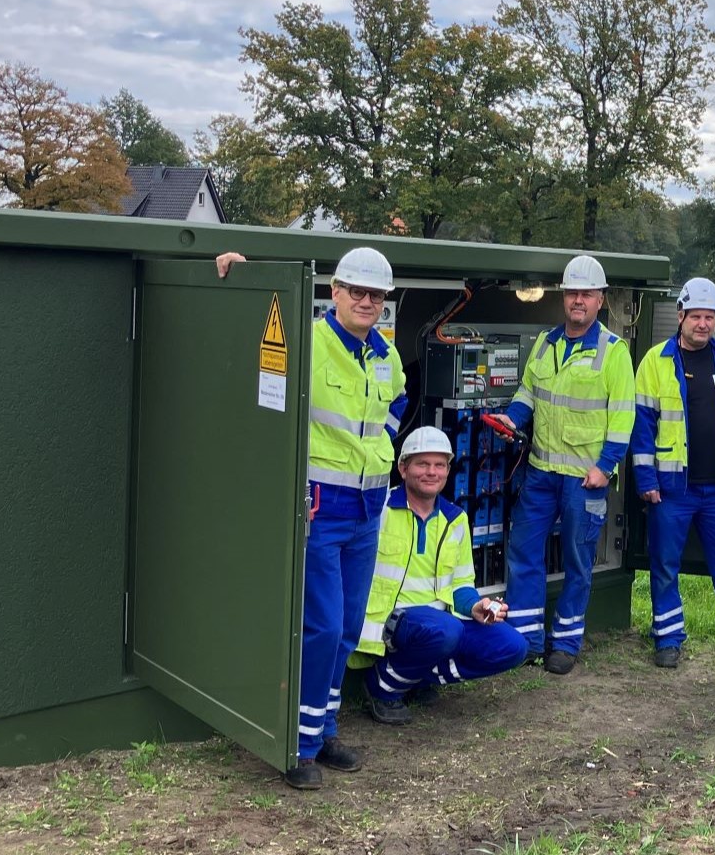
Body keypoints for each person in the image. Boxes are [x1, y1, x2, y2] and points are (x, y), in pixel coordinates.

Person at [216, 247, 410, 789]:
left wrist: (384, 443)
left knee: (347, 629)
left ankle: (323, 731)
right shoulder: (309, 340)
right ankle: (296, 746)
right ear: (335, 292)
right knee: (321, 627)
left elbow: (396, 400)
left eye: (377, 295)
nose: (368, 302)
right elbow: (252, 354)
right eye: (358, 292)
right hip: (320, 509)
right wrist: (239, 275)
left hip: (370, 507)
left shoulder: (383, 353)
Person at [494, 255, 635, 675]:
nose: (578, 301)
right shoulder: (546, 342)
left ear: (600, 300)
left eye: (586, 295)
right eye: (572, 293)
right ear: (564, 297)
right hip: (539, 471)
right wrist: (512, 418)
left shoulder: (614, 352)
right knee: (524, 552)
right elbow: (528, 392)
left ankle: (567, 642)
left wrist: (605, 466)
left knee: (577, 559)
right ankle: (526, 640)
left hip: (584, 479)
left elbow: (623, 416)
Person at [630, 277, 715, 672]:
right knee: (664, 565)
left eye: (710, 317)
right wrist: (646, 481)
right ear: (680, 317)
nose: (703, 324)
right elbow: (641, 428)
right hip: (672, 490)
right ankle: (668, 640)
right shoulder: (655, 362)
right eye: (696, 316)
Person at [357, 427, 527, 722]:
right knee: (445, 630)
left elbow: (461, 583)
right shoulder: (379, 510)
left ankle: (416, 677)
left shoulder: (456, 518)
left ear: (448, 470)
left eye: (439, 465)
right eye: (422, 464)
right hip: (391, 622)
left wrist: (477, 607)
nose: (431, 472)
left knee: (513, 646)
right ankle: (383, 687)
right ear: (403, 467)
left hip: (443, 625)